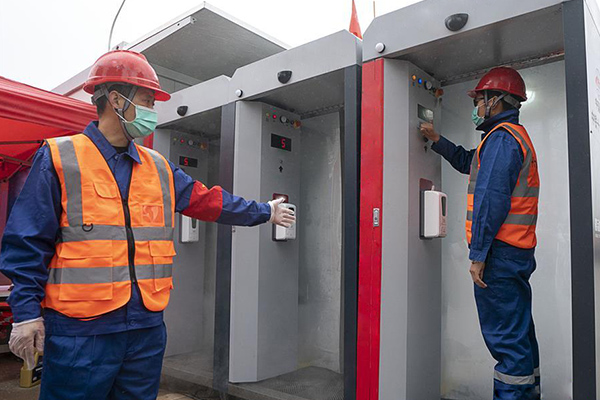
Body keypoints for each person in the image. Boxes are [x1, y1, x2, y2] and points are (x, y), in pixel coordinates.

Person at [0, 50, 295, 400]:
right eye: (146, 101)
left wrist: (264, 211)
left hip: (144, 328)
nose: (152, 111)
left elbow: (208, 201)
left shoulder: (158, 166)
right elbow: (27, 243)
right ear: (116, 100)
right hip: (81, 330)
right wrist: (26, 315)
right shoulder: (60, 157)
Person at [420, 67, 540, 400]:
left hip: (499, 255)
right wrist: (437, 141)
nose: (477, 106)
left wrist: (478, 256)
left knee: (506, 340)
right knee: (519, 334)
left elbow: (490, 201)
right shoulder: (508, 138)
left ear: (496, 100)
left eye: (479, 100)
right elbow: (468, 162)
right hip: (515, 253)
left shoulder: (502, 139)